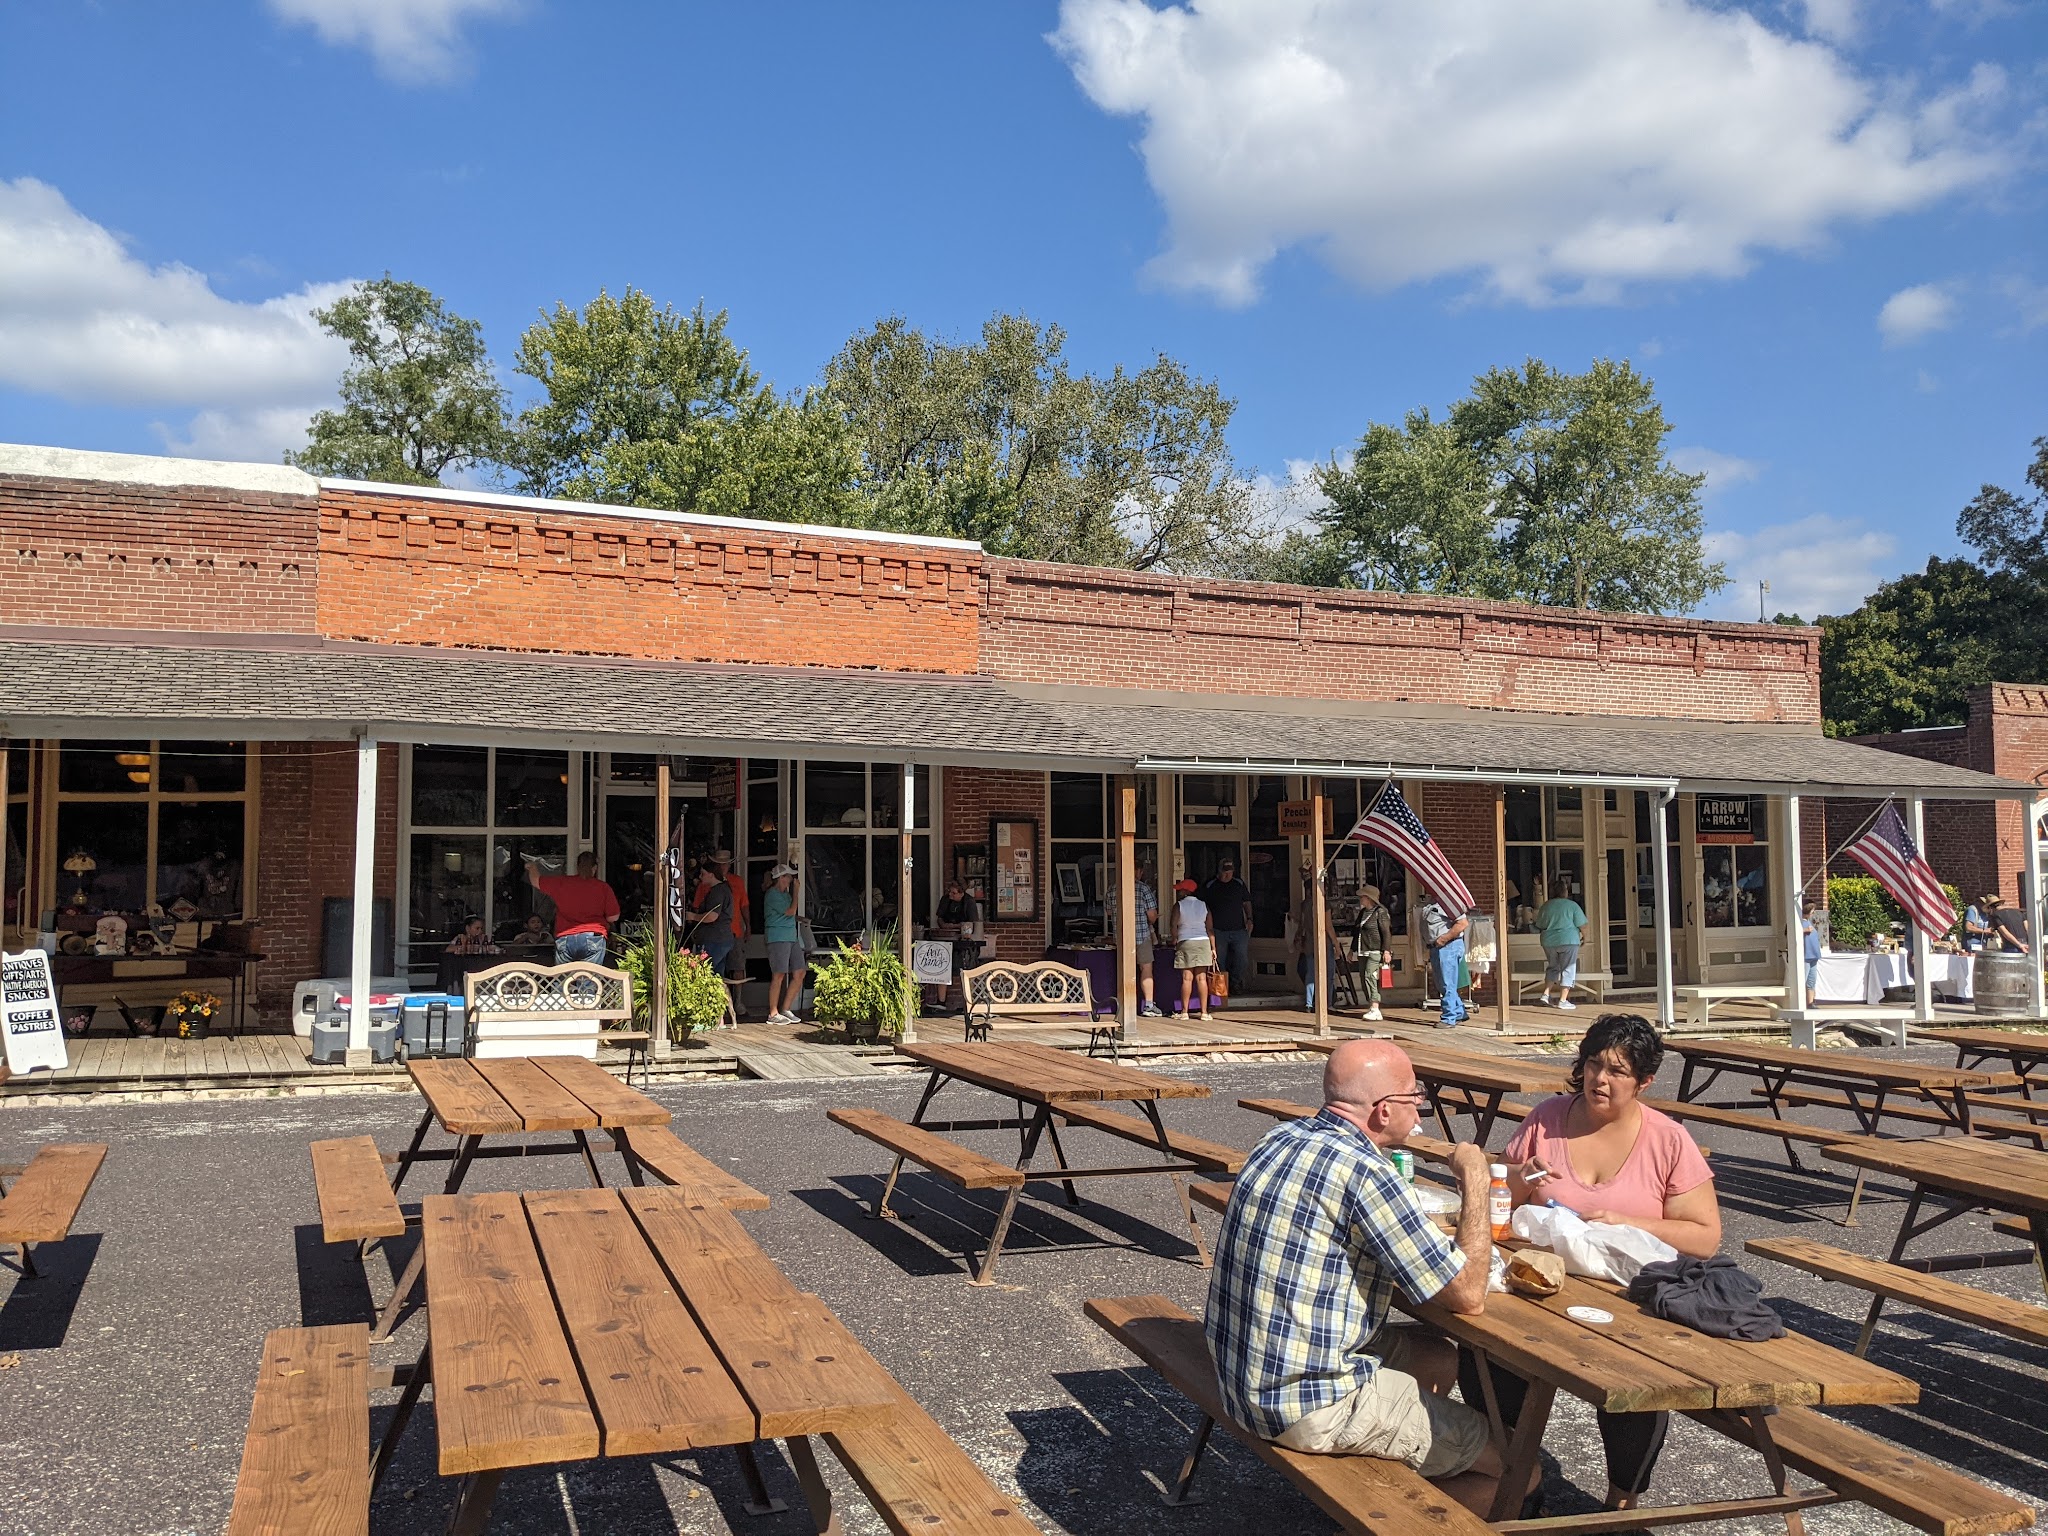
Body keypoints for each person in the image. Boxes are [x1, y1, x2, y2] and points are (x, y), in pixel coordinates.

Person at [1207, 1039, 1512, 1516]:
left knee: (1436, 1357)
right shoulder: (1367, 1172)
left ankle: (1406, 1462)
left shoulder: (1280, 1139)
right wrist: (1475, 1178)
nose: (1421, 1112)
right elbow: (1468, 1293)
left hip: (1242, 1373)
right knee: (1515, 1467)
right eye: (1416, 1099)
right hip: (1304, 1402)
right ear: (1384, 1111)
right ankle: (1393, 1518)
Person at [1470, 1013, 1720, 1516]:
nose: (1600, 1079)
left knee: (1633, 1387)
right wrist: (1519, 1177)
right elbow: (1498, 1194)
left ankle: (1620, 1506)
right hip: (1538, 1286)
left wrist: (1628, 1221)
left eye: (1618, 1071)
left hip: (1625, 1302)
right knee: (1485, 1354)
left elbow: (1705, 1237)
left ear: (1644, 1081)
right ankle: (1517, 1476)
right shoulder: (1546, 1118)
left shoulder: (1668, 1139)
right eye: (1593, 1064)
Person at [524, 851, 620, 964]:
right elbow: (613, 917)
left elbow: (536, 881)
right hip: (593, 937)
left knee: (564, 978)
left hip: (565, 936)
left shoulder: (563, 883)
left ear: (577, 866)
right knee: (588, 978)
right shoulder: (603, 887)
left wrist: (532, 867)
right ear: (595, 868)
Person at [1203, 858, 1255, 999]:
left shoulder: (1238, 884)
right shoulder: (1210, 885)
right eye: (1224, 872)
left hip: (1238, 929)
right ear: (1219, 871)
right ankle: (1221, 987)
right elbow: (1204, 907)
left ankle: (1236, 983)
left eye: (1230, 872)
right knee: (1220, 959)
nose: (1227, 875)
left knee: (1242, 958)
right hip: (1218, 930)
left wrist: (1250, 919)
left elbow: (1246, 902)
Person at [1416, 893, 1469, 1027]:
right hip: (1436, 947)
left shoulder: (1451, 904)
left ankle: (1448, 1018)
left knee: (1447, 983)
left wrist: (1444, 938)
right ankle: (1459, 1012)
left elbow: (1462, 923)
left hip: (1448, 946)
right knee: (1442, 984)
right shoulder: (1431, 904)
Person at [932, 877, 983, 1015]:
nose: (951, 895)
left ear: (961, 893)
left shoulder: (969, 902)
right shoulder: (945, 900)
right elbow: (940, 917)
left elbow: (972, 923)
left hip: (964, 941)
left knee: (965, 970)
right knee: (942, 968)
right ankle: (941, 1001)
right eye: (950, 892)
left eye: (954, 893)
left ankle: (967, 1002)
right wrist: (944, 925)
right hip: (946, 938)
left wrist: (958, 927)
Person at [1535, 878, 1588, 1010]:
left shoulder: (1546, 906)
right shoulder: (1572, 906)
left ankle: (1545, 995)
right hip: (1569, 940)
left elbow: (1540, 924)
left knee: (1553, 967)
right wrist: (1585, 938)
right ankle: (1563, 1000)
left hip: (1549, 941)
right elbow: (1583, 925)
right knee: (1568, 968)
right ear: (1565, 891)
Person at [761, 863, 804, 1024]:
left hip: (791, 936)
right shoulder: (772, 894)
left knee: (800, 972)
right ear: (780, 878)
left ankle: (785, 1008)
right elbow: (791, 911)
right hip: (777, 937)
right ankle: (773, 1013)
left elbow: (790, 913)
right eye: (788, 876)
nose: (791, 879)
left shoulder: (785, 895)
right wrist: (797, 892)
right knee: (779, 974)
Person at [1171, 878, 1215, 1020]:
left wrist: (1174, 939)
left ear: (1186, 891)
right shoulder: (1204, 905)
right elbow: (1210, 928)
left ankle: (1184, 1012)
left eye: (1180, 889)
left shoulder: (1179, 905)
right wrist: (1213, 948)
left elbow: (1173, 925)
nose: (1178, 891)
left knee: (1187, 978)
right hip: (1203, 941)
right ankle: (1204, 1012)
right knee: (1201, 978)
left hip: (1186, 941)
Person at [686, 865, 736, 976]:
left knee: (704, 973)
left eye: (703, 874)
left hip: (714, 939)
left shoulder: (717, 891)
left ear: (711, 875)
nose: (700, 877)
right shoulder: (723, 889)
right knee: (717, 977)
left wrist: (693, 917)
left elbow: (712, 916)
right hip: (722, 938)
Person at [710, 848, 750, 979]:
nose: (722, 866)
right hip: (714, 933)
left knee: (738, 967)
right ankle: (720, 998)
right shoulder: (707, 882)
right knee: (715, 969)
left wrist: (748, 926)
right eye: (719, 863)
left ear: (729, 864)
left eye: (725, 863)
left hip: (735, 932)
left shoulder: (737, 881)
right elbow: (698, 907)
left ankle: (738, 999)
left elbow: (744, 905)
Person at [1354, 884, 1391, 1023]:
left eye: (1362, 896)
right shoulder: (1362, 913)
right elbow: (1356, 932)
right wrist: (1352, 950)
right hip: (1362, 950)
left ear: (1368, 898)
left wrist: (1386, 950)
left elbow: (1386, 932)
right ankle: (1371, 1005)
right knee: (1364, 978)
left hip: (1375, 950)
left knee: (1370, 976)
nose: (1360, 898)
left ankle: (1376, 1008)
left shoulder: (1380, 912)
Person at [1133, 863, 1163, 1017]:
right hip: (1142, 935)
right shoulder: (1143, 888)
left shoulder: (1113, 888)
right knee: (1146, 969)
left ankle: (1126, 1003)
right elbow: (1152, 915)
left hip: (1121, 937)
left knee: (1125, 970)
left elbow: (1109, 913)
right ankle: (1149, 1005)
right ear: (1138, 871)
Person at [1992, 886, 2033, 954]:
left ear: (1991, 908)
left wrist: (2019, 945)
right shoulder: (2018, 912)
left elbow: (2005, 933)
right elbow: (2027, 929)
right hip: (2026, 943)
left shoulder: (1996, 916)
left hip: (2011, 945)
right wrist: (2031, 944)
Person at [1800, 895, 1823, 1007]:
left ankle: (1810, 1002)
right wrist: (1803, 930)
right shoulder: (1798, 922)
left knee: (1811, 981)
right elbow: (1788, 932)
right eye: (1812, 911)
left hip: (1814, 956)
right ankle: (1799, 1003)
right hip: (1805, 956)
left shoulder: (1809, 922)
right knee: (1802, 980)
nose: (1813, 913)